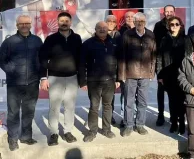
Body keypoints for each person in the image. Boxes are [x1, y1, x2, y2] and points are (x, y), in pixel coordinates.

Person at [0, 15, 43, 151]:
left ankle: (26, 136)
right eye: (21, 23)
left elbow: (41, 60)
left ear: (31, 25)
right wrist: (11, 70)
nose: (24, 25)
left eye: (27, 23)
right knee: (13, 112)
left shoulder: (37, 41)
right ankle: (12, 139)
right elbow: (1, 59)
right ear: (17, 25)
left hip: (32, 82)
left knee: (29, 111)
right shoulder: (9, 41)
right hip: (14, 84)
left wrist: (40, 76)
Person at [39, 12, 82, 146]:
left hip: (72, 78)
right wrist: (43, 78)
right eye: (62, 20)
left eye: (66, 21)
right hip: (54, 78)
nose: (64, 23)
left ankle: (68, 131)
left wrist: (81, 78)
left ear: (70, 22)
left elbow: (80, 59)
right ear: (58, 22)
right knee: (54, 107)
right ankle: (53, 133)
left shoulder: (77, 38)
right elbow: (43, 59)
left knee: (70, 107)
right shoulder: (51, 39)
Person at [79, 21, 120, 142]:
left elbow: (118, 63)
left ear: (108, 29)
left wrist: (117, 78)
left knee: (108, 106)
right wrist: (83, 81)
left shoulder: (113, 43)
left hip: (110, 81)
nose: (102, 30)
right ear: (95, 29)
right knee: (94, 107)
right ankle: (92, 131)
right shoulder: (87, 44)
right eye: (99, 28)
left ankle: (106, 129)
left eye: (104, 28)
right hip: (93, 82)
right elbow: (81, 64)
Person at [119, 12, 156, 136]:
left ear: (145, 22)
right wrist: (122, 75)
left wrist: (151, 73)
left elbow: (153, 55)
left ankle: (140, 125)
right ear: (134, 22)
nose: (140, 23)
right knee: (128, 101)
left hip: (145, 74)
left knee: (143, 101)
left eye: (142, 21)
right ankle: (128, 125)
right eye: (137, 21)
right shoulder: (127, 34)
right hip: (130, 73)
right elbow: (122, 55)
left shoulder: (150, 34)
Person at [156, 16, 186, 134]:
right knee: (172, 100)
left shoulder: (186, 39)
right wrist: (159, 75)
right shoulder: (164, 39)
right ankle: (174, 123)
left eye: (176, 24)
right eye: (172, 24)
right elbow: (159, 58)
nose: (174, 26)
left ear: (180, 25)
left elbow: (189, 57)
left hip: (182, 74)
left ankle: (182, 122)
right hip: (168, 75)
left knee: (182, 101)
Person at [153, 5, 175, 126]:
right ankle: (160, 115)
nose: (169, 13)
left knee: (173, 92)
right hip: (161, 61)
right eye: (167, 11)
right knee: (161, 90)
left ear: (174, 12)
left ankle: (173, 115)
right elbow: (155, 44)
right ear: (163, 13)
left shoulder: (178, 24)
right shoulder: (158, 25)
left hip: (174, 63)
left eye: (171, 11)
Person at [117, 11, 135, 127]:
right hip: (125, 69)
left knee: (137, 97)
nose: (129, 18)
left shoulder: (142, 30)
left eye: (131, 17)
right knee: (125, 95)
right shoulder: (120, 32)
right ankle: (125, 119)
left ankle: (135, 119)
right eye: (127, 17)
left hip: (139, 69)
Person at [106, 15, 121, 125]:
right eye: (108, 21)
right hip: (100, 71)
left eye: (113, 21)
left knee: (111, 96)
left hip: (114, 70)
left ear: (116, 24)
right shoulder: (98, 34)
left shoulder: (120, 36)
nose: (111, 23)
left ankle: (110, 116)